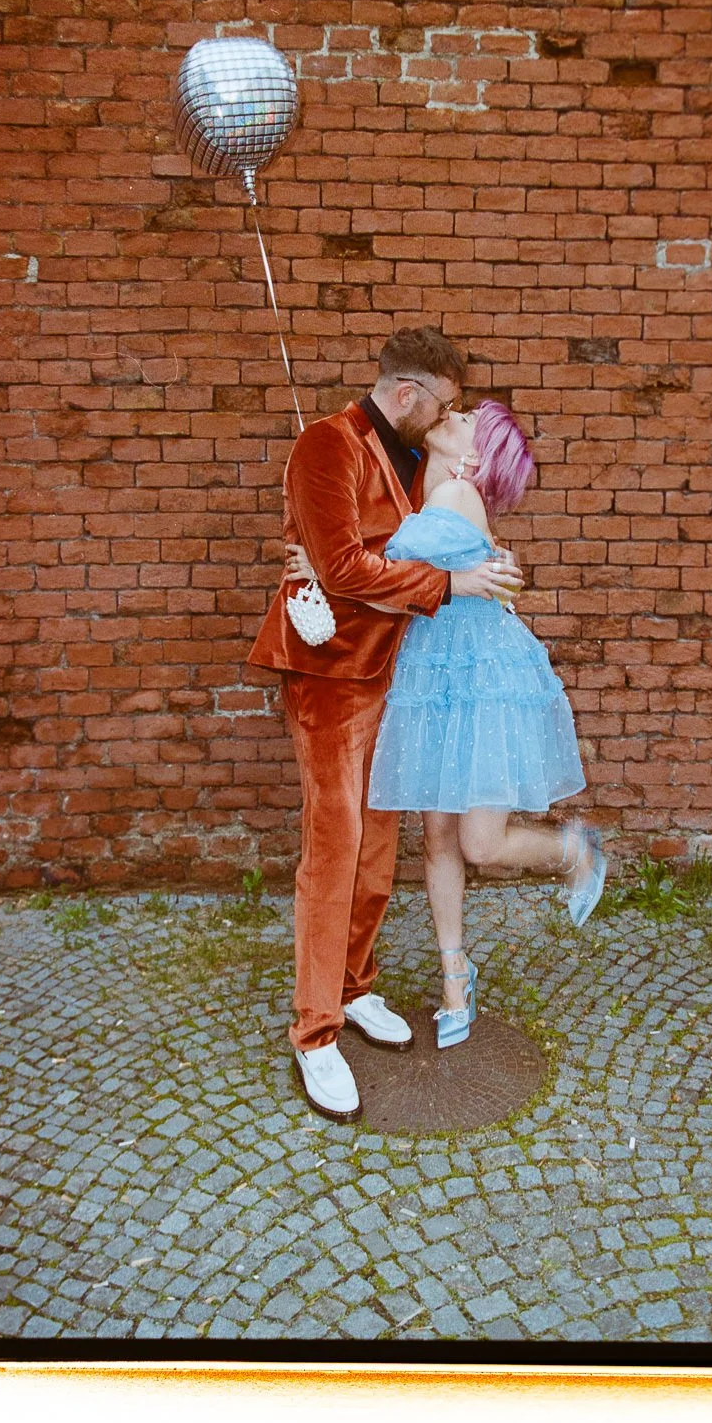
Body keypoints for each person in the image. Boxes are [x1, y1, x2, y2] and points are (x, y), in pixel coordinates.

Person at [248, 328, 523, 1122]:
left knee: (375, 842)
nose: (451, 414)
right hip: (331, 678)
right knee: (333, 852)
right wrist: (448, 581)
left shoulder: (410, 453)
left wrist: (475, 572)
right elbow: (342, 569)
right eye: (443, 402)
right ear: (407, 394)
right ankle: (314, 1032)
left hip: (392, 674)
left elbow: (422, 544)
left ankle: (353, 986)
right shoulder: (325, 448)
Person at [287, 399, 606, 1052]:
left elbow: (379, 574)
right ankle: (455, 980)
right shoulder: (418, 491)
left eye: (465, 419)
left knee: (478, 844)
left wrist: (325, 567)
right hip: (431, 677)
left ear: (474, 457)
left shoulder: (456, 495)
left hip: (482, 681)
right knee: (435, 839)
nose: (451, 412)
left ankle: (572, 849)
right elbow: (385, 571)